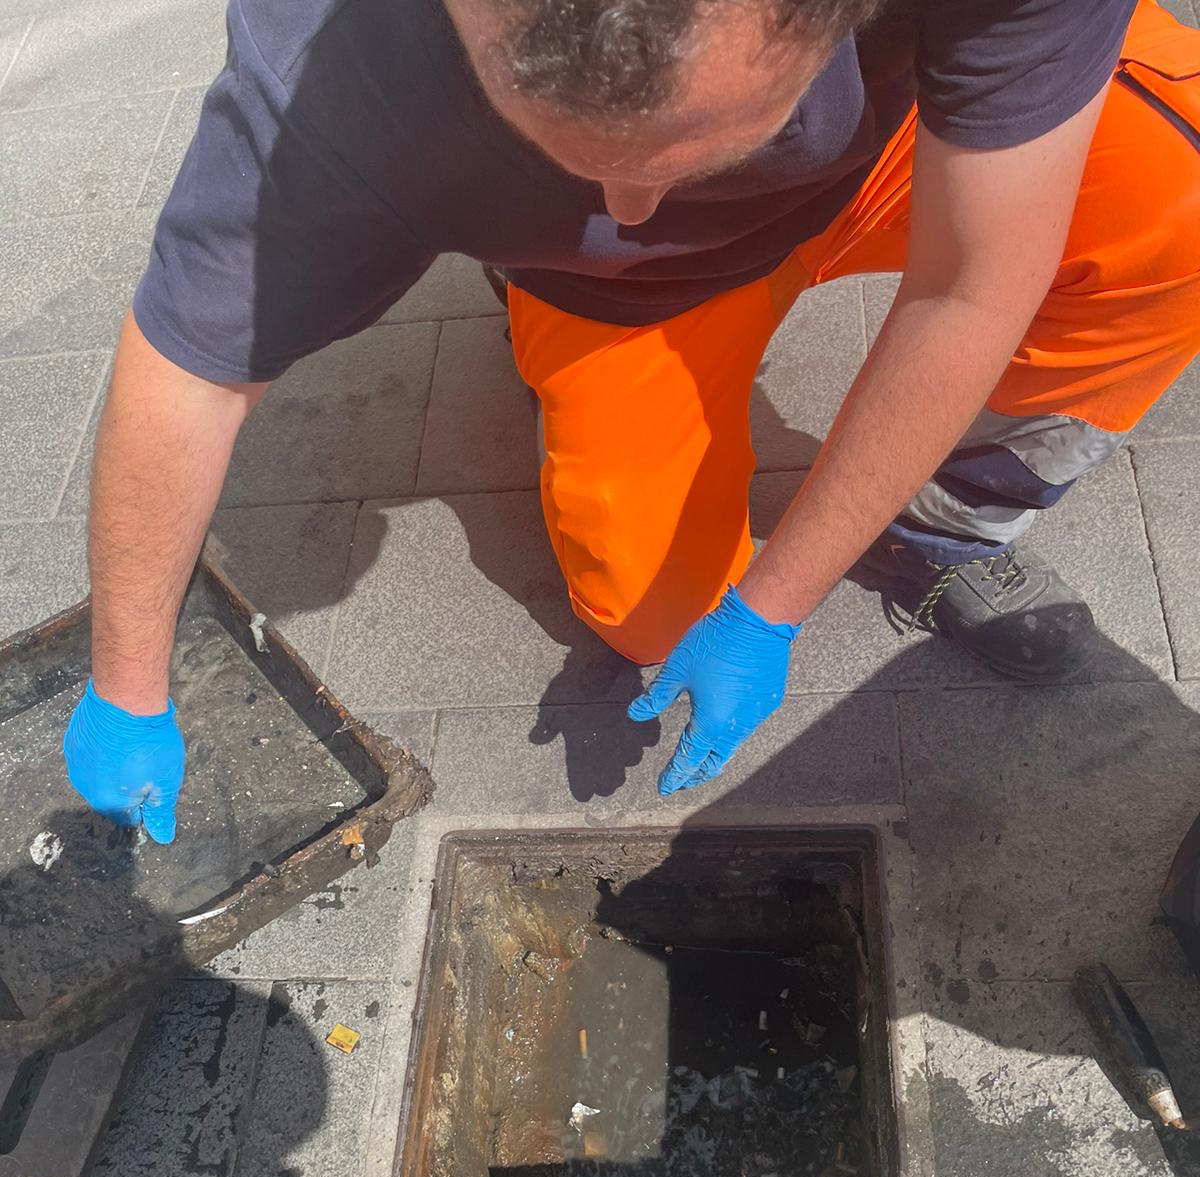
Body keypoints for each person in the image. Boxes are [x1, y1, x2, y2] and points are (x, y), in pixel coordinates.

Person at [63, 0, 1200, 840]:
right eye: (564, 152)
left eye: (695, 149)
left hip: (902, 145)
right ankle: (529, 270)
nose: (631, 207)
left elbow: (971, 287)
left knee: (1178, 207)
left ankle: (941, 524)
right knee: (658, 618)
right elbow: (188, 371)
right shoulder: (327, 62)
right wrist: (126, 685)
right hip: (626, 295)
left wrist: (775, 607)